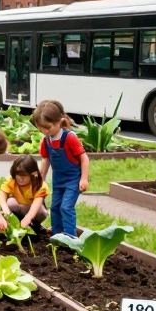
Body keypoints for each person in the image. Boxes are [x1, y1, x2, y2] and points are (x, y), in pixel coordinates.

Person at [32, 100, 89, 239]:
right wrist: (41, 179)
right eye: (41, 129)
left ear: (59, 121)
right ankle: (57, 234)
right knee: (55, 207)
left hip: (73, 180)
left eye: (48, 128)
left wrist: (84, 178)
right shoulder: (47, 140)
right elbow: (46, 160)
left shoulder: (69, 138)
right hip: (58, 180)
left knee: (66, 207)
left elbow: (84, 158)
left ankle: (70, 236)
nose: (45, 131)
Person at [0, 155, 49, 232]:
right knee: (10, 202)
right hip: (18, 209)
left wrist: (28, 218)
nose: (20, 179)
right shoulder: (12, 181)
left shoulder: (39, 185)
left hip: (33, 211)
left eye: (24, 176)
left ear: (33, 174)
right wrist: (6, 210)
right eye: (18, 175)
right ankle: (15, 223)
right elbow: (1, 195)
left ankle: (35, 225)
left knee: (40, 211)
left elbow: (36, 205)